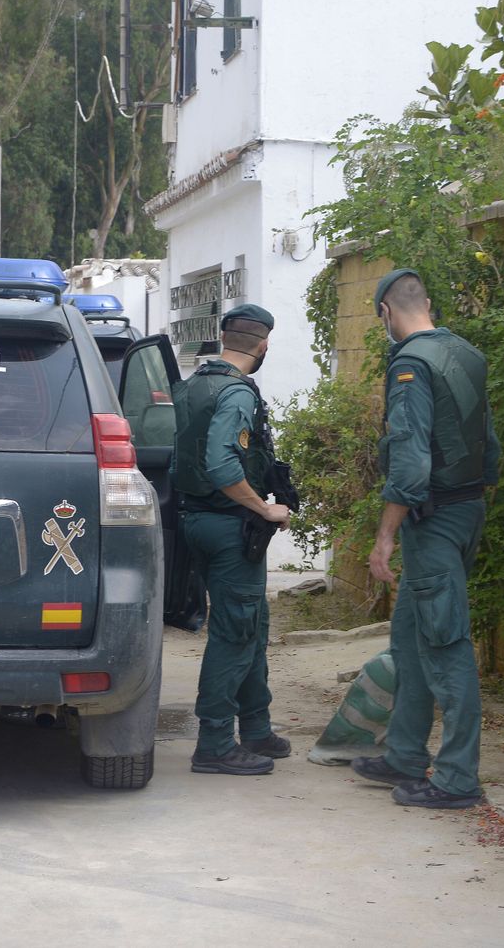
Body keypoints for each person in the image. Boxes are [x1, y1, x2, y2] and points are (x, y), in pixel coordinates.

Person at [351, 269, 501, 809]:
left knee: (444, 643)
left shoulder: (411, 364)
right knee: (412, 637)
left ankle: (458, 778)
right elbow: (490, 444)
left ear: (386, 314)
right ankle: (405, 755)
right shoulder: (465, 352)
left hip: (432, 521)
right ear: (428, 303)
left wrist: (384, 537)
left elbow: (410, 465)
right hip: (465, 510)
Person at [171, 304, 293, 775]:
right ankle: (216, 742)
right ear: (262, 346)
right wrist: (264, 508)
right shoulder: (238, 393)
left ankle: (256, 727)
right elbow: (223, 465)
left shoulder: (193, 384)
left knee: (252, 625)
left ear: (224, 340)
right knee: (235, 632)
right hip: (227, 526)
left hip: (196, 521)